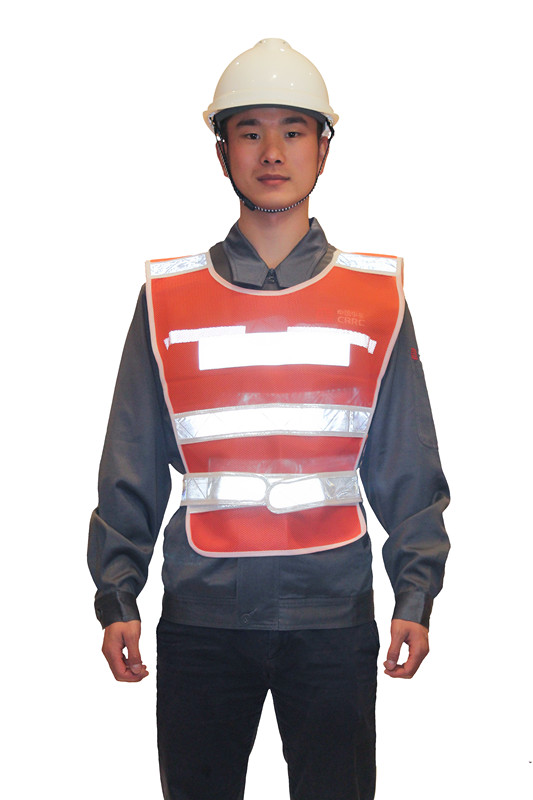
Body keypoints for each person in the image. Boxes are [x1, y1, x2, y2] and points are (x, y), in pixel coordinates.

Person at [88, 38, 450, 800]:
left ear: (324, 147)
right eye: (249, 131)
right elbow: (132, 454)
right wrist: (118, 593)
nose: (272, 152)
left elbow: (405, 461)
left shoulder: (376, 299)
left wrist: (414, 593)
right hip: (202, 616)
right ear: (222, 151)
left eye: (293, 130)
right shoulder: (166, 300)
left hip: (332, 616)